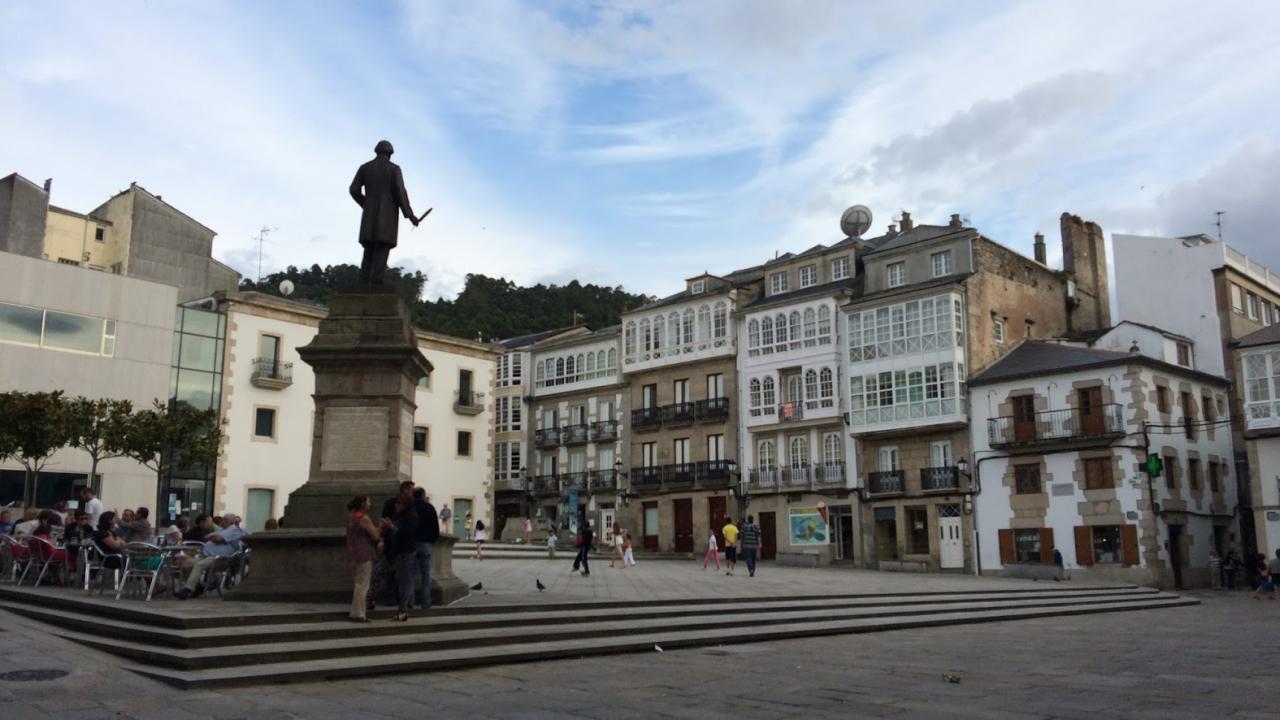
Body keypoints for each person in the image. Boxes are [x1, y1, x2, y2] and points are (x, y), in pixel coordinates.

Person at [175, 514, 247, 599]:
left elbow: (217, 539)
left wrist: (214, 538)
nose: (220, 522)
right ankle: (198, 587)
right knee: (186, 564)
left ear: (227, 521)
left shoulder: (233, 530)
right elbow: (207, 537)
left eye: (223, 520)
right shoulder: (222, 530)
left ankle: (187, 590)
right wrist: (214, 538)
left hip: (220, 559)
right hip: (206, 557)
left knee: (199, 565)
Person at [381, 494, 418, 621]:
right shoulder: (401, 516)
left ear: (405, 504)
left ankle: (403, 611)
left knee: (404, 582)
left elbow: (405, 535)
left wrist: (391, 527)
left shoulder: (410, 517)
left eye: (399, 503)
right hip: (398, 552)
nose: (396, 505)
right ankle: (401, 610)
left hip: (405, 552)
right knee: (400, 581)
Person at [346, 496, 382, 623]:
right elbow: (375, 536)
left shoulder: (352, 517)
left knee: (358, 584)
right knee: (363, 585)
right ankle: (359, 614)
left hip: (355, 553)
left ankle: (355, 612)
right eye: (368, 502)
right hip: (365, 553)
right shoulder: (364, 518)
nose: (370, 504)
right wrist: (382, 527)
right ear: (362, 504)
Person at [411, 487, 439, 610]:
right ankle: (426, 602)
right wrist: (431, 541)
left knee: (410, 576)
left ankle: (409, 602)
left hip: (411, 544)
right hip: (426, 544)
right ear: (423, 495)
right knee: (426, 576)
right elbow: (435, 528)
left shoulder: (410, 508)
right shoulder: (430, 508)